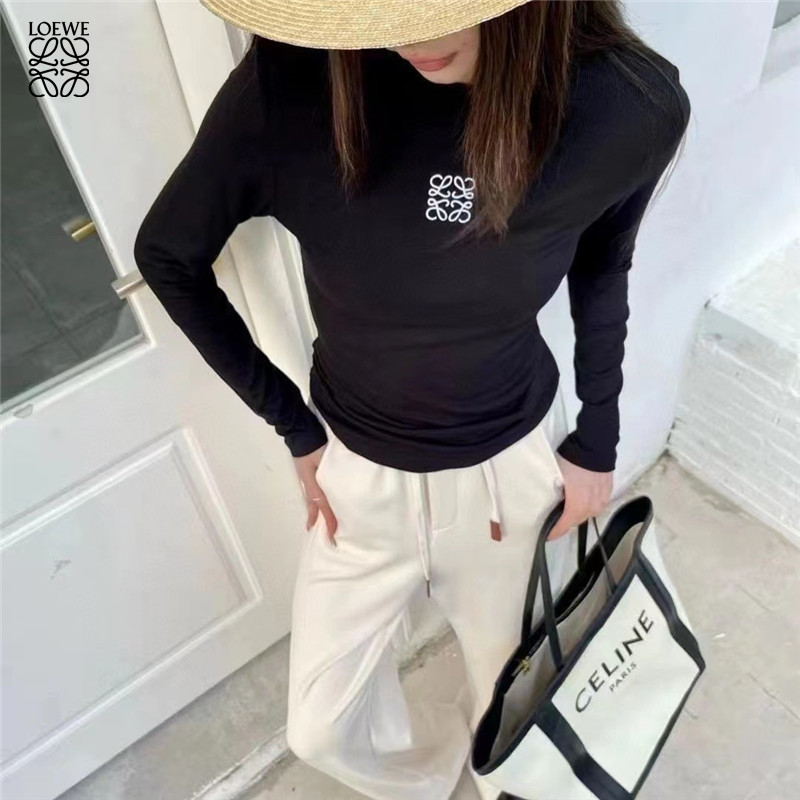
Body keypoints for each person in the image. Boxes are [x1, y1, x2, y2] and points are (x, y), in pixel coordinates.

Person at [133, 2, 690, 798]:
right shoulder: (294, 79)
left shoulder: (625, 106)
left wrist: (598, 439)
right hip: (357, 478)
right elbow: (167, 254)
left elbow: (604, 262)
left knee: (519, 715)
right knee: (319, 728)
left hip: (507, 478)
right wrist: (294, 427)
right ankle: (431, 773)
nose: (405, 36)